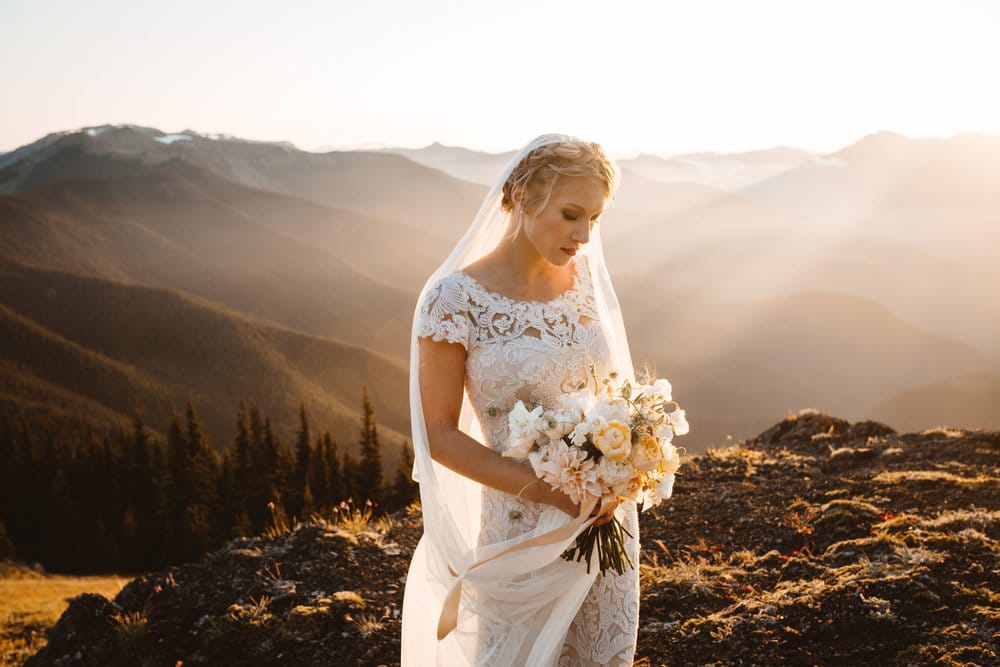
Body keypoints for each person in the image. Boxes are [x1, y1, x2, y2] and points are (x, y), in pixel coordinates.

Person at [401, 134, 639, 666]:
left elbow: (612, 393)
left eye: (595, 220)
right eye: (571, 214)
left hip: (603, 522)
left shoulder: (584, 283)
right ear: (523, 195)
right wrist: (554, 493)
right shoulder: (452, 299)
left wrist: (627, 466)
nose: (583, 235)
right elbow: (438, 434)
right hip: (518, 527)